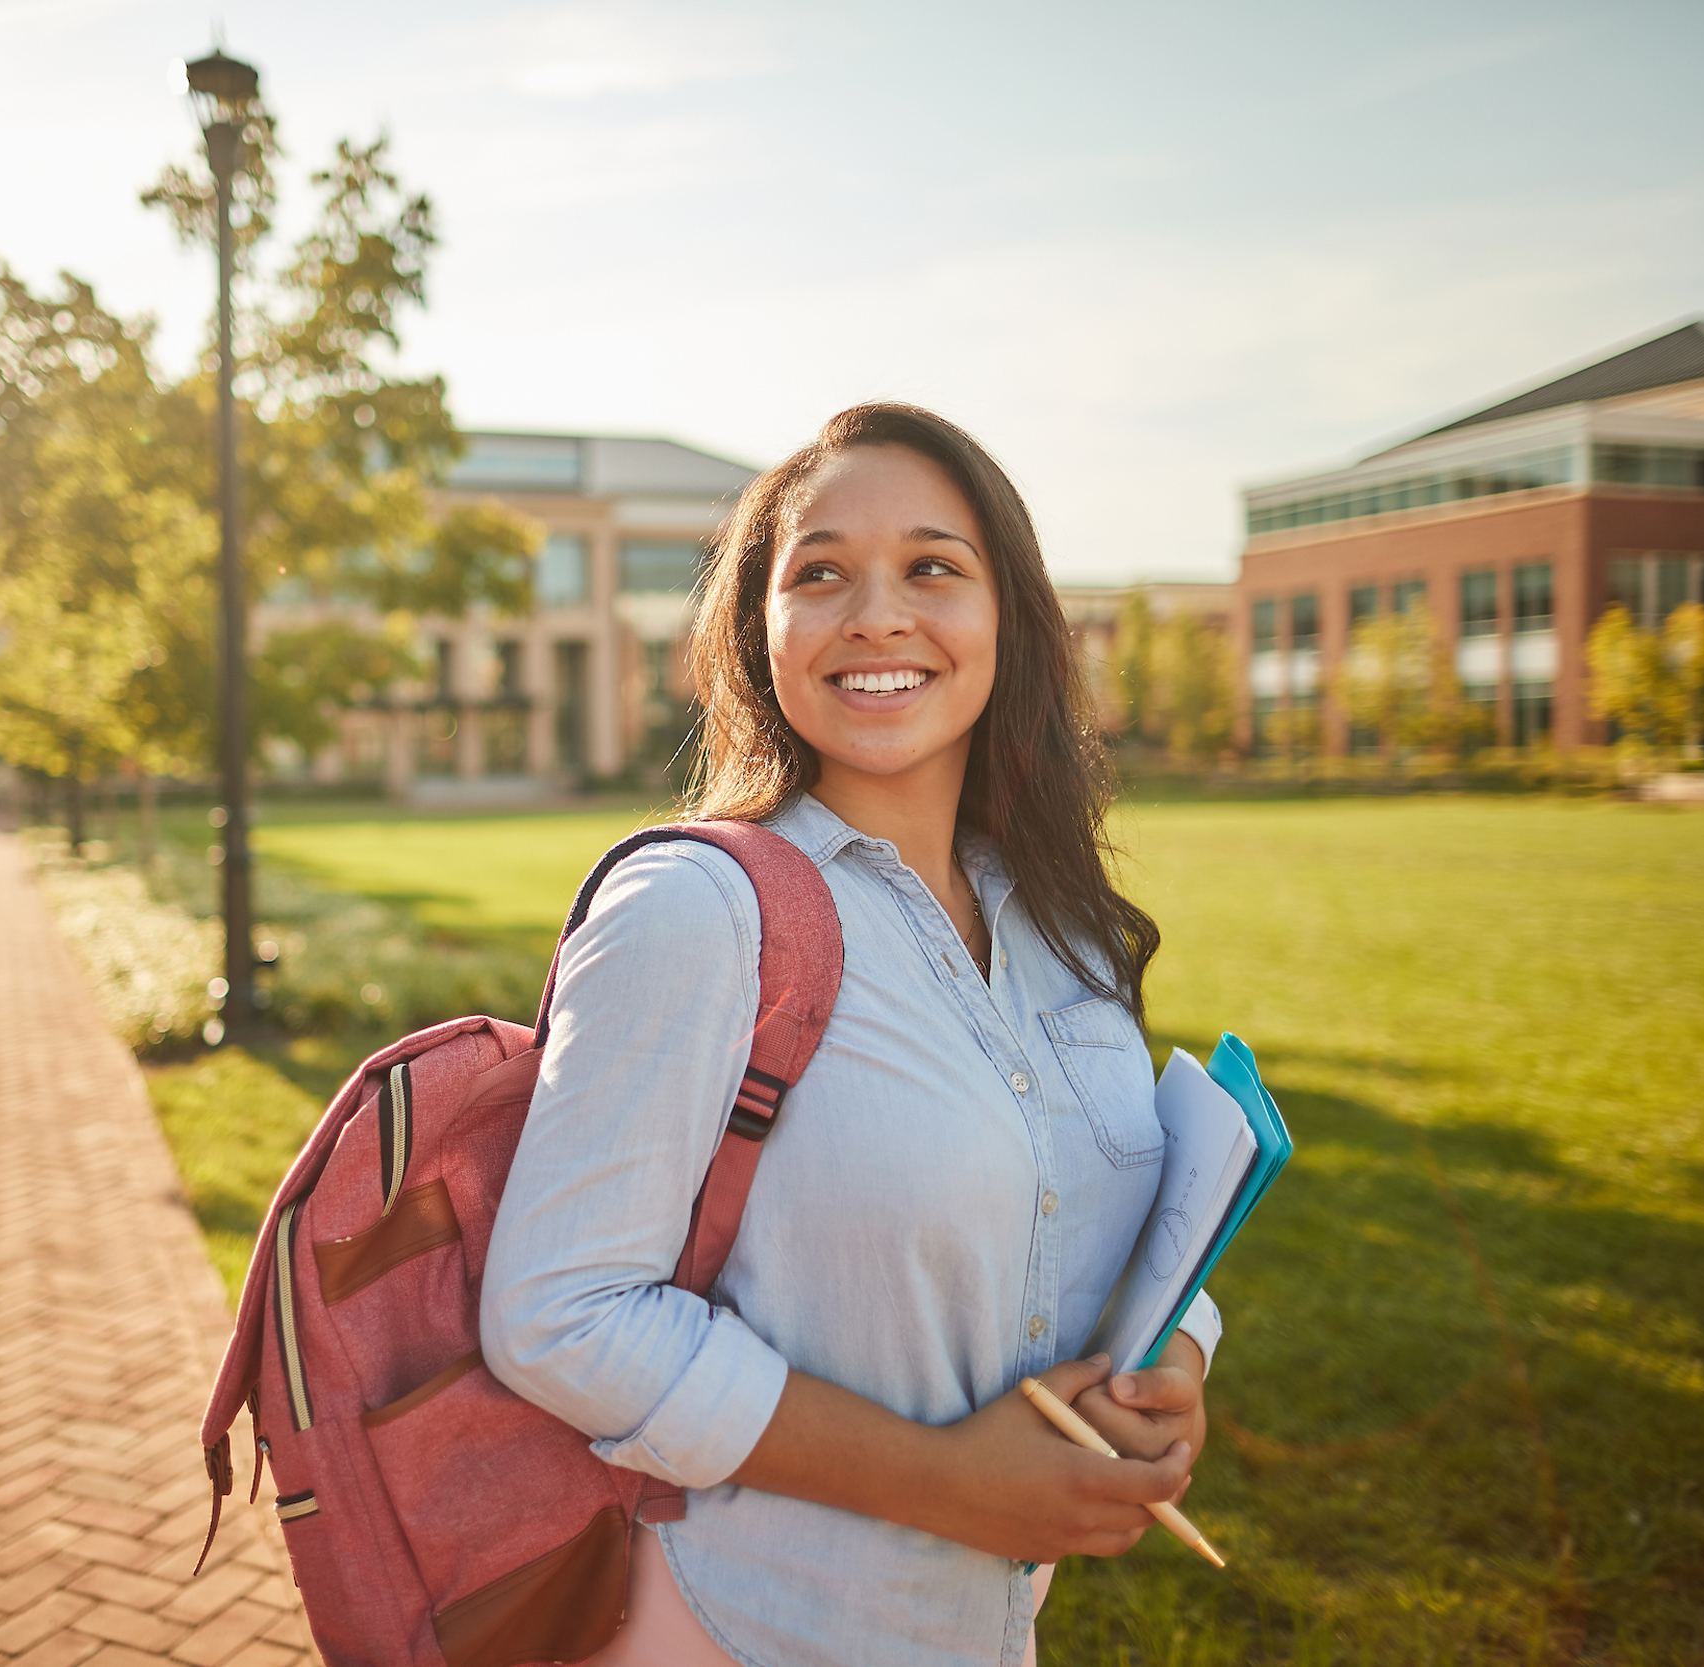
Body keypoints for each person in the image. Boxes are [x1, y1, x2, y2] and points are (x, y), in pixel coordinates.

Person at [479, 404, 1219, 1667]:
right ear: (760, 632)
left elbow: (1104, 1208)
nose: (875, 613)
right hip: (739, 1626)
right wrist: (943, 1479)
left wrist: (1179, 1367)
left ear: (1007, 619)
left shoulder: (1067, 927)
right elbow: (558, 1309)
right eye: (818, 573)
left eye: (933, 566)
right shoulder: (697, 909)